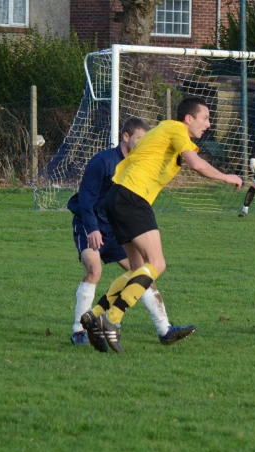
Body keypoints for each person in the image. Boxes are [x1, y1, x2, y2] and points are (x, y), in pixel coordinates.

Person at [81, 97, 243, 353]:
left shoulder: (163, 133)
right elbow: (196, 164)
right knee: (157, 264)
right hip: (132, 198)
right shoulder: (177, 129)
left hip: (117, 197)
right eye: (205, 118)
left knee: (138, 271)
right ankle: (112, 318)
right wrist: (228, 177)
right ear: (188, 118)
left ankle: (95, 314)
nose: (209, 124)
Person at [68, 117, 188, 351]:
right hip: (89, 223)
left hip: (115, 226)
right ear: (125, 136)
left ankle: (164, 329)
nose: (145, 142)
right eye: (140, 138)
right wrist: (92, 227)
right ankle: (79, 329)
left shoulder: (139, 163)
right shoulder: (102, 161)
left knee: (142, 272)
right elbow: (85, 197)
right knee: (94, 269)